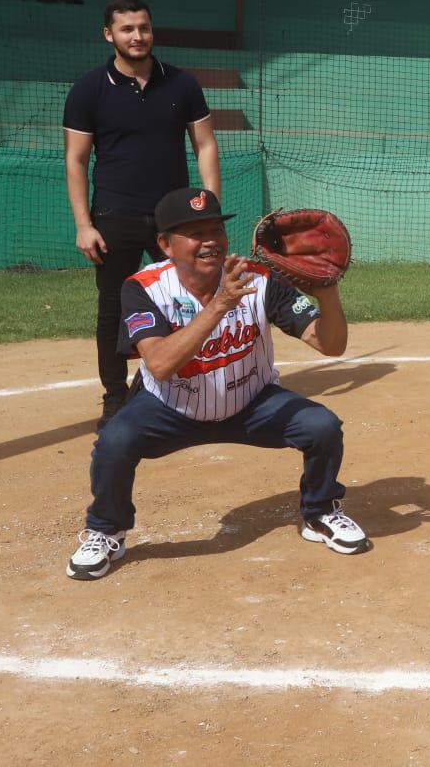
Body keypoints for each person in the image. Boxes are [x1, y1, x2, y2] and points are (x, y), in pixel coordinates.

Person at [65, 188, 366, 580]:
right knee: (113, 442)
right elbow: (159, 364)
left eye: (215, 231)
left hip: (252, 403)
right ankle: (107, 530)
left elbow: (330, 344)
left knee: (321, 426)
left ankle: (321, 511)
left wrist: (328, 294)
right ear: (165, 244)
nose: (210, 241)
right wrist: (219, 305)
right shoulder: (142, 288)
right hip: (169, 409)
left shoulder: (260, 280)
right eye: (194, 232)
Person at [63, 0, 221, 422]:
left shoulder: (182, 85)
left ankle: (202, 384)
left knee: (193, 297)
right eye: (128, 29)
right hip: (114, 216)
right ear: (109, 34)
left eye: (144, 28)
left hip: (175, 218)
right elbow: (76, 160)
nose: (137, 36)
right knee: (114, 308)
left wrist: (208, 208)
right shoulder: (88, 90)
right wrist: (84, 224)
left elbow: (205, 145)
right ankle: (115, 395)